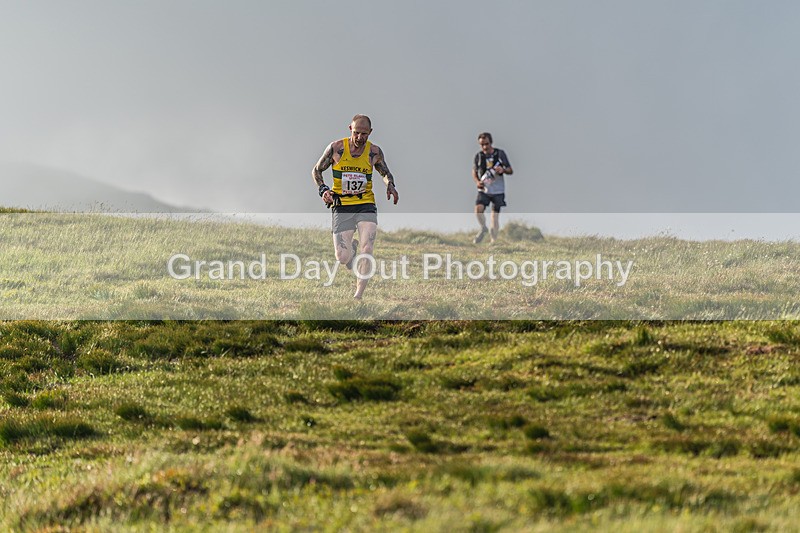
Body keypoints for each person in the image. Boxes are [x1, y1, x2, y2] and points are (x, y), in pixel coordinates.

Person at [312, 114, 399, 299]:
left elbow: (385, 172)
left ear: (370, 133)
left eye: (364, 134)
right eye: (357, 133)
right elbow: (317, 170)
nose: (360, 138)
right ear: (350, 129)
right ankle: (350, 250)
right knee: (342, 257)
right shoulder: (336, 148)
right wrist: (323, 190)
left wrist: (390, 185)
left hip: (365, 204)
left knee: (367, 248)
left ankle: (358, 295)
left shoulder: (373, 151)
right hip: (341, 204)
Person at [472, 132, 513, 244]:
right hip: (484, 189)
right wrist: (477, 182)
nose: (485, 147)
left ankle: (493, 242)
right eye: (482, 145)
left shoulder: (500, 154)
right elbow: (474, 171)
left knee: (494, 217)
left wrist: (503, 170)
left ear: (491, 142)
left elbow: (510, 170)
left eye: (487, 144)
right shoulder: (479, 156)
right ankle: (483, 227)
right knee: (478, 210)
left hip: (498, 190)